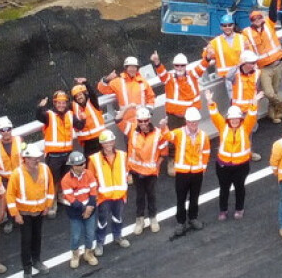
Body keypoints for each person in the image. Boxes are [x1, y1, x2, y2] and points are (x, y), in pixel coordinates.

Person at [8, 145, 55, 278]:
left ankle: (36, 260)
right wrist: (15, 214)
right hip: (24, 214)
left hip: (39, 212)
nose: (37, 160)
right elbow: (10, 194)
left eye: (38, 158)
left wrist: (47, 205)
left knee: (37, 238)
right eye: (34, 158)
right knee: (26, 241)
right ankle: (27, 270)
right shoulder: (17, 174)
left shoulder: (45, 169)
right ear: (26, 159)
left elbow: (50, 188)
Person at [123, 107, 168, 235]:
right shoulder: (132, 130)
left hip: (151, 173)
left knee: (151, 195)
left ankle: (153, 218)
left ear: (149, 119)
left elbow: (163, 153)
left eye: (145, 120)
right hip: (136, 171)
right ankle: (140, 220)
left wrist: (156, 166)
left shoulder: (159, 134)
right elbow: (118, 120)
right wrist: (126, 108)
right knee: (140, 196)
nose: (143, 124)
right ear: (137, 121)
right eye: (140, 121)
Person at [210, 104, 257, 220]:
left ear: (240, 119)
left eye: (237, 118)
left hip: (241, 166)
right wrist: (211, 102)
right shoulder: (223, 126)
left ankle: (239, 209)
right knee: (224, 188)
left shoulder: (245, 127)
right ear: (228, 119)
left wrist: (254, 103)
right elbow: (215, 115)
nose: (234, 120)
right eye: (232, 118)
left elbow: (251, 116)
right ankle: (223, 210)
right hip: (223, 166)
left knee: (239, 187)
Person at [167, 107, 211, 231]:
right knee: (181, 199)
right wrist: (164, 126)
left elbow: (206, 152)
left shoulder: (203, 136)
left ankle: (193, 218)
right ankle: (181, 222)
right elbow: (167, 136)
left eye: (195, 122)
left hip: (197, 172)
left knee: (194, 197)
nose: (194, 124)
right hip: (182, 173)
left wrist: (203, 168)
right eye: (191, 122)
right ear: (186, 121)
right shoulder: (179, 133)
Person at [88, 130, 133, 249]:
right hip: (103, 197)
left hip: (119, 195)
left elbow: (127, 171)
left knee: (117, 218)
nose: (108, 145)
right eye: (105, 143)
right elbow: (91, 179)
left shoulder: (123, 155)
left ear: (114, 142)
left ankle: (118, 236)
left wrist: (128, 178)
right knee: (102, 221)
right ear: (101, 144)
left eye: (110, 142)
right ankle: (99, 242)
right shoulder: (94, 159)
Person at [58, 153, 100, 270]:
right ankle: (75, 255)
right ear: (72, 166)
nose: (80, 167)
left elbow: (93, 191)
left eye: (82, 164)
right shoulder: (66, 180)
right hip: (75, 212)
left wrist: (89, 208)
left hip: (89, 209)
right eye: (77, 165)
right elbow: (70, 198)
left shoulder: (89, 174)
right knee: (76, 236)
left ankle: (88, 253)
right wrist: (84, 209)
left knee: (90, 234)